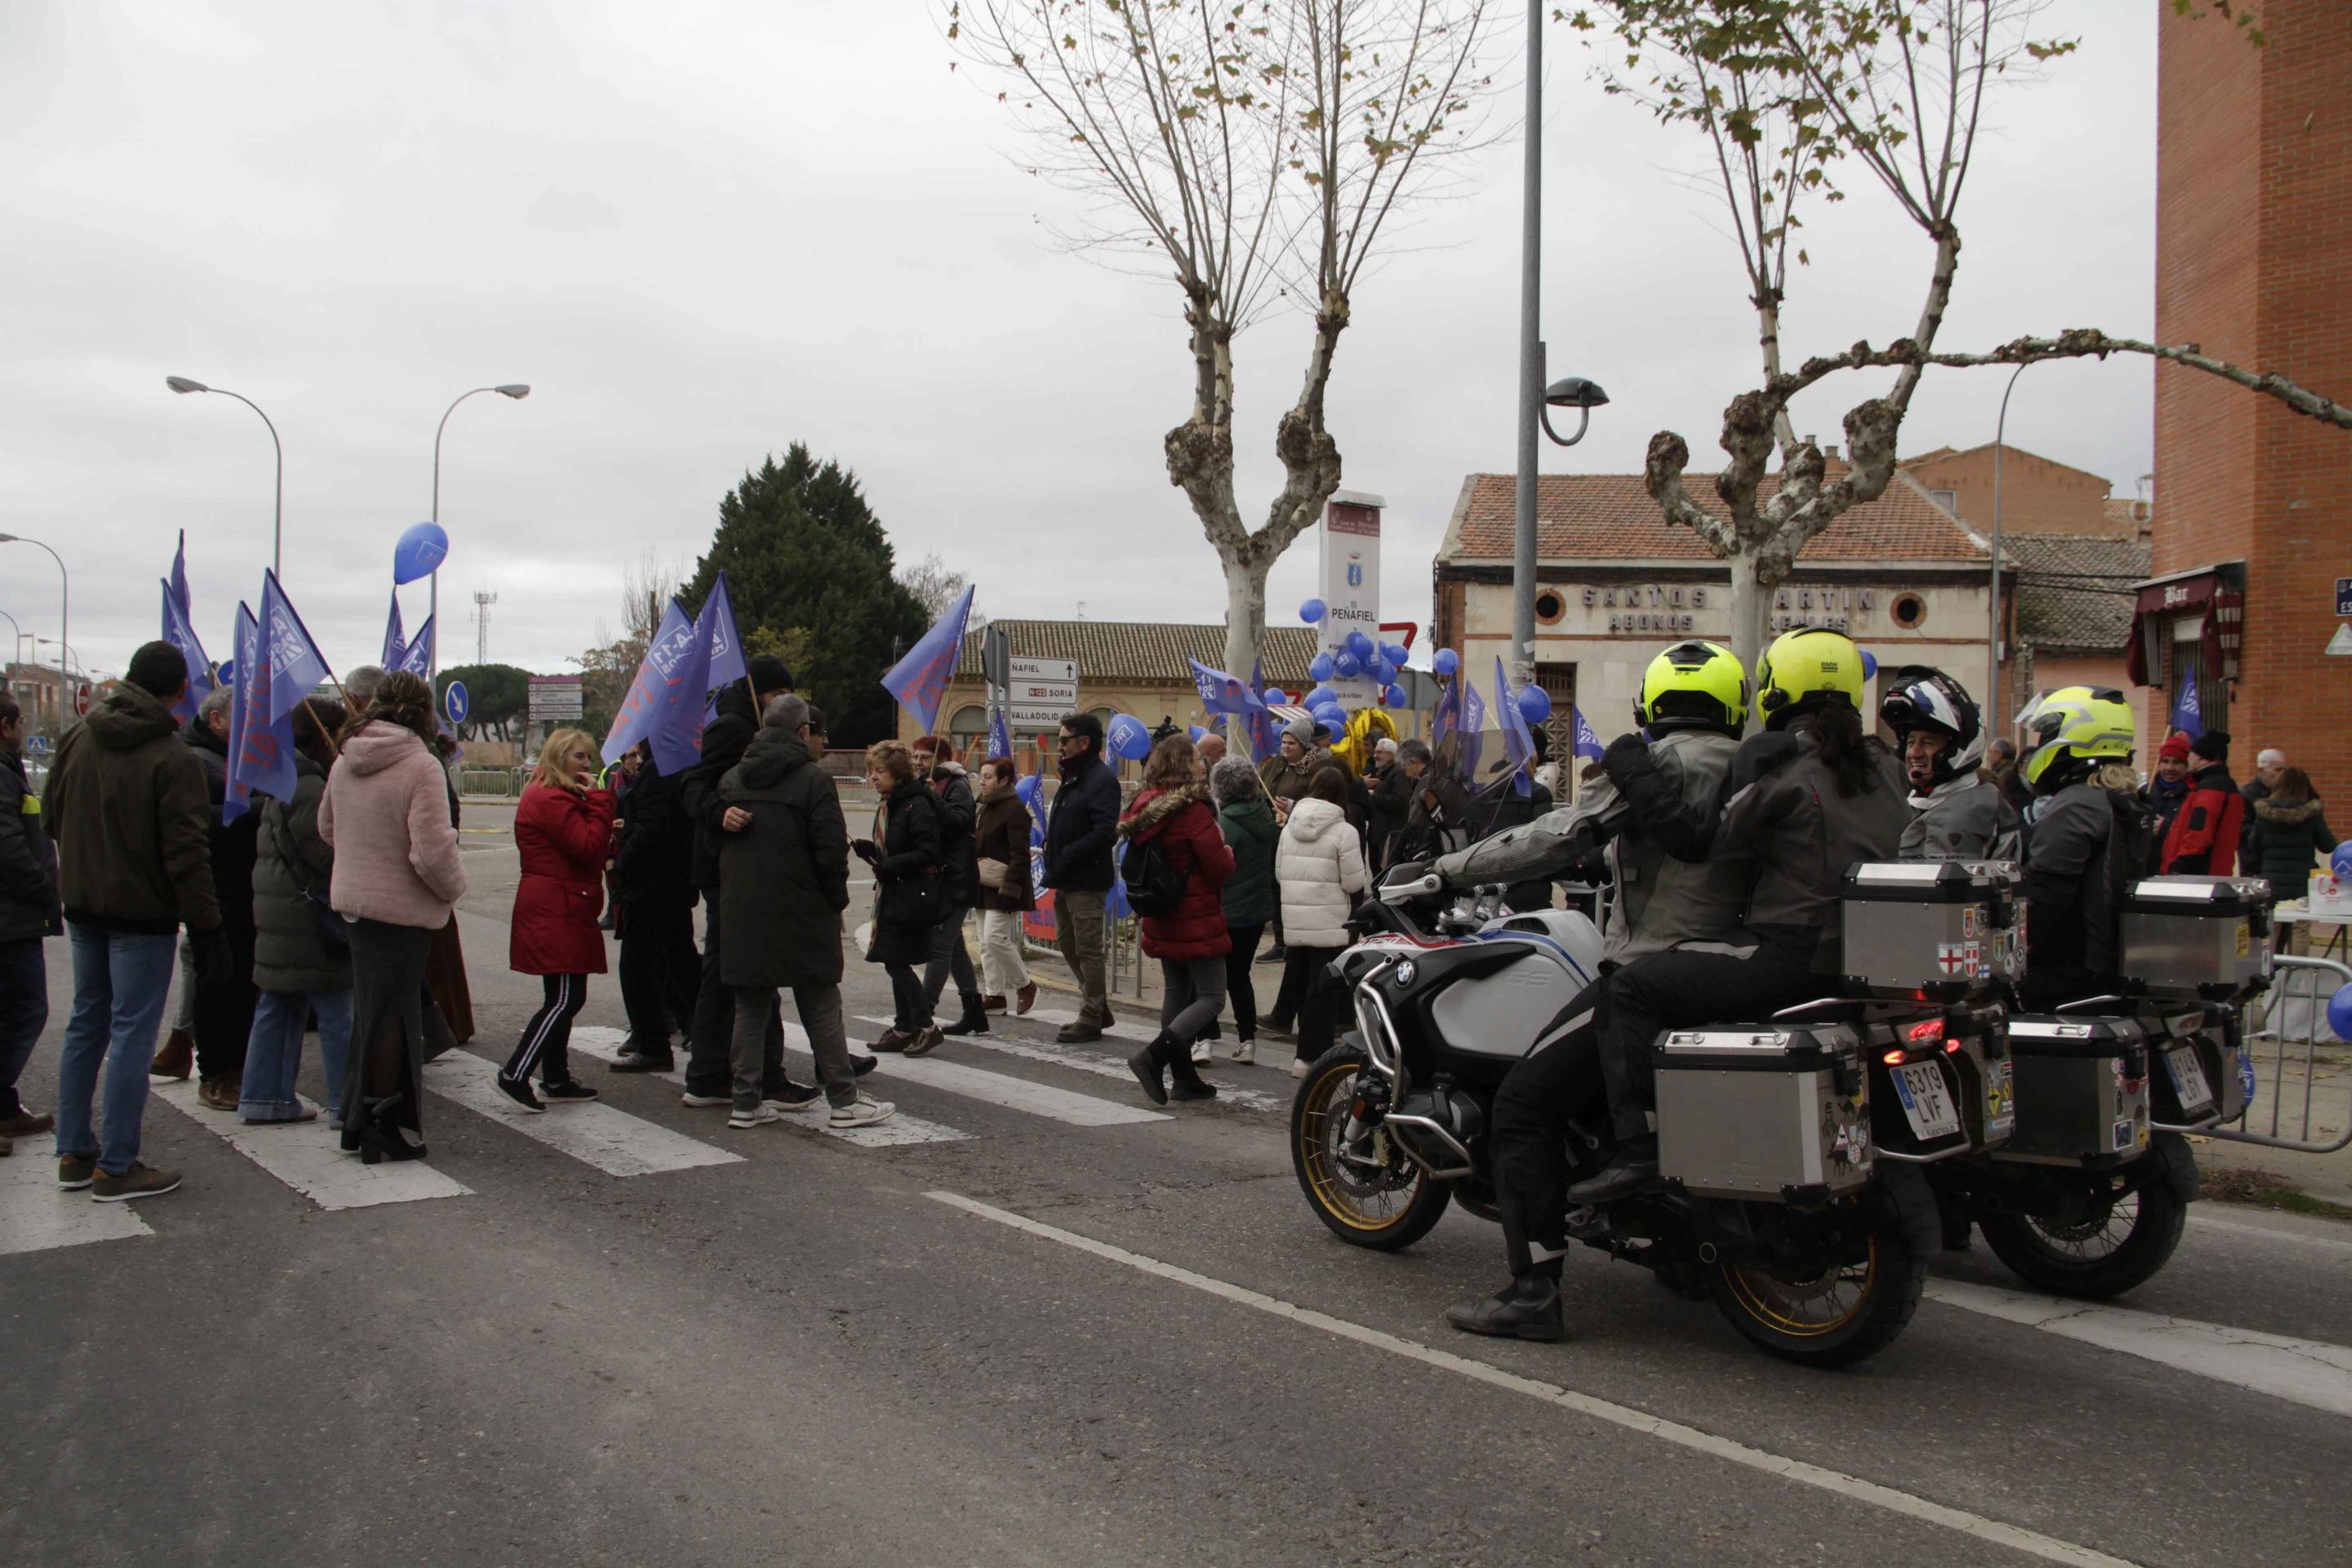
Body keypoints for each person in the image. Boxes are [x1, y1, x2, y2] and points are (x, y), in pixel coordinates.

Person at [1443, 639, 1755, 1340]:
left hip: (1658, 963)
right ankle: (1677, 1244)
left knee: (1525, 1104)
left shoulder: (1653, 766)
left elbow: (1557, 837)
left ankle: (1532, 1293)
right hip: (1748, 970)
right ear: (1736, 705)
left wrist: (1448, 868)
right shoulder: (1757, 763)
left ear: (1651, 705)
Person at [1572, 629, 1909, 1207]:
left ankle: (1640, 1151)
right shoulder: (1884, 765)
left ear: (1776, 689)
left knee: (1628, 992)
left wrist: (1632, 766)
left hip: (1795, 954)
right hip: (1867, 960)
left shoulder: (1778, 760)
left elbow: (1697, 838)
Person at [45, 642, 220, 1200]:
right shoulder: (173, 758)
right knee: (130, 1033)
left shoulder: (80, 734)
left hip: (82, 902)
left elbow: (51, 814)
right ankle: (117, 1165)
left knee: (86, 1023)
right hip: (141, 914)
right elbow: (188, 855)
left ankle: (74, 1152)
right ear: (176, 693)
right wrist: (208, 926)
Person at [716, 695, 894, 1129]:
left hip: (744, 911)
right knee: (819, 1004)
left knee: (751, 1006)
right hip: (803, 909)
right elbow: (830, 853)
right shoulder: (814, 781)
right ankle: (844, 1099)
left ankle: (745, 1100)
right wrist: (836, 900)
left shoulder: (732, 779)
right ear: (801, 733)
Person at [322, 671, 468, 1163]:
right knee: (391, 1017)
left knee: (372, 1011)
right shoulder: (420, 764)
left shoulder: (347, 757)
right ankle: (379, 1124)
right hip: (401, 908)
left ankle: (361, 1119)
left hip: (354, 903)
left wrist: (362, 856)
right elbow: (431, 851)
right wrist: (454, 890)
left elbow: (327, 828)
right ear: (425, 710)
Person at [671, 656, 823, 1106]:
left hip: (739, 866)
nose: (782, 704)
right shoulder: (733, 728)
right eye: (777, 695)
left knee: (738, 973)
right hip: (729, 866)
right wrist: (720, 814)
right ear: (760, 692)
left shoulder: (743, 723)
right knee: (739, 973)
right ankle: (737, 1075)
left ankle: (720, 1073)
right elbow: (692, 783)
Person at [238, 701, 353, 1125]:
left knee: (279, 1004)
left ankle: (264, 1097)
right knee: (338, 1005)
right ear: (324, 734)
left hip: (281, 911)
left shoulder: (286, 778)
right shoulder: (310, 785)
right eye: (341, 731)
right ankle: (347, 1103)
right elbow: (323, 853)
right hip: (308, 916)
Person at [151, 686, 259, 1110]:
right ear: (216, 720)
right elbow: (193, 821)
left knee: (233, 979)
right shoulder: (195, 761)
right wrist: (255, 810)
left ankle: (217, 1061)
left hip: (238, 885)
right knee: (218, 982)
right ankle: (216, 1074)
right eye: (242, 718)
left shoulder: (226, 758)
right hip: (215, 886)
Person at [497, 728, 614, 1111]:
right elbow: (588, 846)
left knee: (561, 994)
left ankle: (556, 1076)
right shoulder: (551, 797)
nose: (586, 764)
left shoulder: (550, 793)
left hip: (561, 902)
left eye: (589, 757)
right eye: (579, 756)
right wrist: (599, 801)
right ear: (559, 757)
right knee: (566, 997)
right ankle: (516, 1072)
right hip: (557, 904)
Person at [2011, 687, 2150, 1009]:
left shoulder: (2077, 805)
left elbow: (2045, 897)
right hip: (2110, 966)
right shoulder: (2126, 799)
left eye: (2047, 734)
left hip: (2067, 971)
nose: (2040, 746)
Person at [1120, 735, 1236, 1104]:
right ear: (1184, 766)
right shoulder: (1191, 810)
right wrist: (1229, 854)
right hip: (1195, 913)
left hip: (1162, 909)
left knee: (1176, 990)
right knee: (1212, 997)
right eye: (1198, 759)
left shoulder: (1145, 805)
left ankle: (1184, 1078)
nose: (1203, 765)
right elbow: (1218, 867)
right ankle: (1152, 1057)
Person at [610, 739, 700, 1069]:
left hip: (653, 885)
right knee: (676, 958)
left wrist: (620, 864)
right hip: (672, 883)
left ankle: (652, 1042)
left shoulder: (657, 770)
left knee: (641, 966)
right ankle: (697, 1030)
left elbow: (652, 830)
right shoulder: (676, 764)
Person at [1274, 764, 1368, 1080]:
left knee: (1301, 987)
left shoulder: (1289, 827)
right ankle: (1313, 1057)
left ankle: (1301, 1057)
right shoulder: (1345, 831)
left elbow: (1278, 872)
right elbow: (1354, 883)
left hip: (1296, 918)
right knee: (1323, 994)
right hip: (1330, 923)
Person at [0, 692, 61, 1148]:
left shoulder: (9, 771)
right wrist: (44, 890)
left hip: (12, 914)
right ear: (5, 724)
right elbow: (9, 847)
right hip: (10, 917)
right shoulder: (2, 774)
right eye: (20, 722)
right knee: (25, 1009)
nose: (23, 731)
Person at [861, 739, 947, 1057]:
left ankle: (925, 1026)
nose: (873, 777)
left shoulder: (915, 804)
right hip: (892, 892)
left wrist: (889, 864)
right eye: (871, 771)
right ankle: (903, 1027)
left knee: (895, 960)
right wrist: (870, 852)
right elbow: (891, 849)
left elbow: (929, 851)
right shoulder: (888, 803)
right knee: (895, 959)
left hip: (910, 895)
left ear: (897, 774)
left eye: (880, 771)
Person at [1878, 666, 2020, 861]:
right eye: (1911, 742)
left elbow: (1934, 888)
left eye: (1928, 742)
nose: (1914, 753)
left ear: (1955, 749)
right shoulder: (1937, 798)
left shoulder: (1960, 812)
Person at [1042, 712, 1121, 1042]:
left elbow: (1106, 832)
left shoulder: (1101, 779)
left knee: (1089, 949)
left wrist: (1068, 853)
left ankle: (1090, 1016)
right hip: (1065, 876)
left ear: (1084, 742)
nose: (1058, 746)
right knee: (1066, 941)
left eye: (1064, 740)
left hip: (1086, 879)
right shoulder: (1073, 775)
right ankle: (1098, 1006)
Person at [912, 735, 988, 1036]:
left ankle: (922, 1015)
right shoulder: (924, 784)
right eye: (915, 756)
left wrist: (932, 798)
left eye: (925, 756)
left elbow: (960, 821)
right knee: (955, 949)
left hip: (956, 879)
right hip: (938, 878)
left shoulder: (956, 785)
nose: (918, 761)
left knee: (938, 949)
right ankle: (974, 1013)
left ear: (941, 760)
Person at [1210, 755, 1277, 1065]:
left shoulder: (1224, 824)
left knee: (1209, 979)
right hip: (1255, 910)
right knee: (1240, 977)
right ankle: (1247, 1040)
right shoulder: (1266, 815)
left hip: (1226, 911)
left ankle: (1205, 1040)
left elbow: (1214, 868)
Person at [971, 755, 1037, 1017]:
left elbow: (1020, 854)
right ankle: (995, 995)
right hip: (984, 882)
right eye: (981, 776)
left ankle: (1025, 985)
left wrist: (1011, 887)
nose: (982, 782)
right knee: (984, 942)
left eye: (988, 777)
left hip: (1005, 885)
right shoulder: (986, 806)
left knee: (995, 937)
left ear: (1005, 780)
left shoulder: (1014, 810)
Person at [2160, 728, 2245, 875]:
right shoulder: (2226, 786)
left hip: (2198, 875)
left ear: (2202, 758)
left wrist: (2180, 865)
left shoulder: (2210, 789)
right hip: (2215, 871)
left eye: (2191, 754)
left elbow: (2199, 834)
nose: (2188, 759)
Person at [2246, 766, 2336, 896]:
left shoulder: (2264, 814)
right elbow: (2328, 846)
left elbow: (2252, 845)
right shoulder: (2311, 814)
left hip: (2271, 881)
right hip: (2303, 882)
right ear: (2306, 787)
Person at [2143, 733, 2194, 845]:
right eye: (2165, 761)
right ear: (2159, 764)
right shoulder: (2145, 791)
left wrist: (2168, 826)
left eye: (2176, 762)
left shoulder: (2193, 794)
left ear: (2186, 765)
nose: (2169, 768)